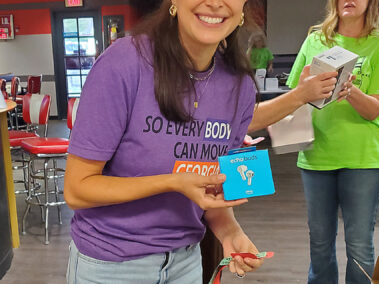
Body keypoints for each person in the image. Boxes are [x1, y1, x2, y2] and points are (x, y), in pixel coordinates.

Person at [64, 0, 338, 283]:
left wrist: (230, 232)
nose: (215, 3)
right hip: (110, 265)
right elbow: (77, 189)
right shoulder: (125, 63)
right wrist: (172, 181)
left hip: (186, 264)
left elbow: (213, 188)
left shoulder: (239, 86)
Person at [285, 0, 379, 283]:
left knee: (359, 246)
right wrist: (303, 88)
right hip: (317, 155)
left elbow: (374, 109)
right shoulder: (315, 39)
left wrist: (348, 88)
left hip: (366, 158)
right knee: (320, 244)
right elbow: (295, 97)